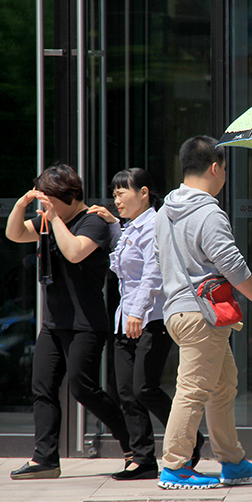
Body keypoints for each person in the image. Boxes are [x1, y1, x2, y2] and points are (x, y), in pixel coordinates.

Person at [153, 135, 252, 490]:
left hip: (177, 312)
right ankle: (174, 466)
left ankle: (232, 461)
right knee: (192, 390)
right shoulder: (208, 212)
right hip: (203, 317)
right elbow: (232, 265)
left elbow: (161, 261)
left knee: (223, 386)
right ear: (215, 167)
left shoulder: (164, 212)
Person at [5, 164, 131, 479]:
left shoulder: (94, 221)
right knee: (42, 386)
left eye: (49, 200)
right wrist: (22, 205)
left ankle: (134, 446)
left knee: (83, 388)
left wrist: (55, 219)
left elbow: (75, 252)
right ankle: (44, 459)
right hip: (54, 322)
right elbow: (15, 233)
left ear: (71, 196)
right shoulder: (50, 219)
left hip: (86, 322)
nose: (43, 208)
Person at [87, 168, 204, 481]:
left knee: (144, 387)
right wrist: (115, 226)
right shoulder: (129, 227)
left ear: (144, 193)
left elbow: (154, 272)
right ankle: (142, 459)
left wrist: (137, 311)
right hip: (126, 319)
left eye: (123, 191)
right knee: (126, 391)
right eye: (114, 193)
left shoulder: (155, 224)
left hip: (151, 318)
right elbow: (125, 257)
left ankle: (189, 440)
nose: (117, 199)